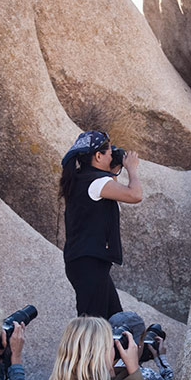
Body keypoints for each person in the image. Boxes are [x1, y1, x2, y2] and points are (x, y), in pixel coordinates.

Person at [60, 130, 142, 318]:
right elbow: (135, 195)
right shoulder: (96, 182)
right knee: (92, 323)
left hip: (86, 261)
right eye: (109, 153)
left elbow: (110, 197)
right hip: (89, 262)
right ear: (98, 156)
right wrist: (132, 169)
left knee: (114, 318)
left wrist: (112, 172)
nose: (113, 155)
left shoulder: (84, 179)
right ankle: (83, 349)